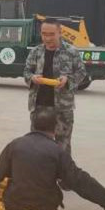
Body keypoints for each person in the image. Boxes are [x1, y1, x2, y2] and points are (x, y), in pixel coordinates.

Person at [0, 107, 105, 210]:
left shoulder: (15, 144)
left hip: (13, 207)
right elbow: (80, 182)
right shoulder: (57, 151)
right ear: (56, 128)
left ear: (33, 125)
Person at [23, 18, 85, 152]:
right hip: (39, 107)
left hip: (62, 109)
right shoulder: (36, 52)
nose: (47, 38)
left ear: (60, 33)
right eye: (44, 34)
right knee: (37, 146)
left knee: (63, 147)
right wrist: (32, 78)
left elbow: (81, 73)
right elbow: (26, 72)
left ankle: (62, 167)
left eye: (51, 34)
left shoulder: (71, 51)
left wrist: (68, 80)